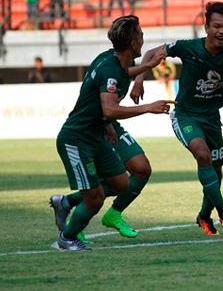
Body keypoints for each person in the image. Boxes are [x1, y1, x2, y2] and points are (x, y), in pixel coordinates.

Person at [49, 16, 172, 251]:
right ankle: (67, 237)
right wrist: (148, 107)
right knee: (94, 198)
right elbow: (109, 107)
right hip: (77, 138)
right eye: (141, 34)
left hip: (98, 133)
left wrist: (146, 67)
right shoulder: (110, 67)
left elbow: (110, 84)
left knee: (120, 182)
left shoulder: (110, 59)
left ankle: (65, 203)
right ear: (134, 43)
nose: (143, 38)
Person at [132, 2, 223, 237]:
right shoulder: (188, 48)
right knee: (202, 154)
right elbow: (150, 53)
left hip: (211, 118)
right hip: (185, 114)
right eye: (217, 26)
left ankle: (203, 216)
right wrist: (138, 80)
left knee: (216, 170)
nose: (222, 31)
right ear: (206, 26)